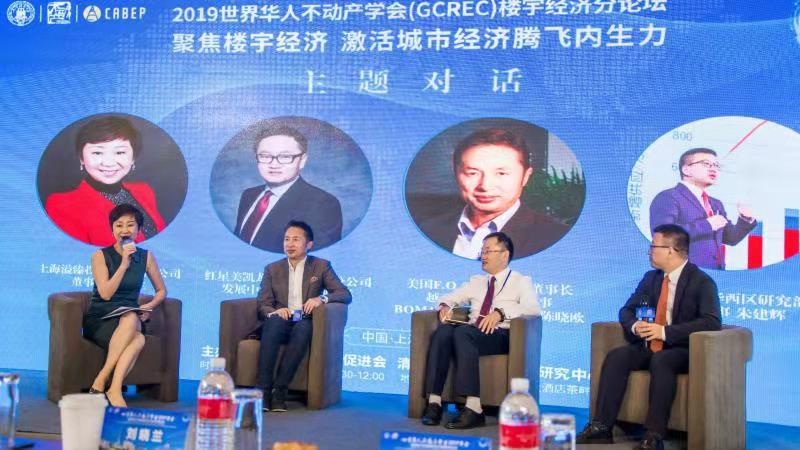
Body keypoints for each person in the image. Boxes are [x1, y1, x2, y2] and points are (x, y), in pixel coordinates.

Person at [576, 224, 721, 450]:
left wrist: (664, 332)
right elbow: (626, 311)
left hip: (683, 349)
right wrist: (636, 327)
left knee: (662, 360)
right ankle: (601, 426)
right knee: (617, 356)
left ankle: (653, 436)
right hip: (650, 344)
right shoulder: (651, 279)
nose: (649, 251)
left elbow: (711, 321)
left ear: (671, 250)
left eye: (654, 246)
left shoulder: (701, 281)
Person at [420, 232, 541, 429]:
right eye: (482, 251)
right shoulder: (477, 281)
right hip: (473, 333)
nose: (483, 256)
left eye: (488, 251)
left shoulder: (520, 281)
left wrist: (501, 313)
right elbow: (452, 296)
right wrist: (444, 305)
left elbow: (533, 309)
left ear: (504, 255)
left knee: (462, 332)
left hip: (500, 335)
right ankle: (434, 402)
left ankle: (474, 407)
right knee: (444, 331)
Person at [416, 128, 568, 260]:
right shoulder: (427, 230)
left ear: (525, 177)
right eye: (472, 173)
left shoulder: (556, 237)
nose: (485, 186)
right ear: (455, 174)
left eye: (501, 173)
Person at [255, 220, 351, 412]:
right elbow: (263, 303)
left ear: (309, 245)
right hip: (280, 317)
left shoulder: (321, 266)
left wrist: (321, 298)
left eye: (296, 240)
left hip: (302, 317)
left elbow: (344, 294)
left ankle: (280, 392)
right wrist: (273, 312)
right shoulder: (272, 269)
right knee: (274, 322)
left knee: (304, 327)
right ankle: (263, 392)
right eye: (287, 239)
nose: (290, 244)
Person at [82, 204, 167, 407]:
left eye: (130, 225)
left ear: (138, 229)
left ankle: (110, 386)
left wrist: (149, 306)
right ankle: (106, 381)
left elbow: (162, 291)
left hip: (129, 317)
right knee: (138, 337)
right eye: (119, 225)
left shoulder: (146, 257)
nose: (124, 230)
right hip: (101, 318)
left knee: (132, 322)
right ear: (112, 229)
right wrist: (123, 265)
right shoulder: (100, 256)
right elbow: (106, 293)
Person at [45, 116, 166, 246]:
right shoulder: (61, 205)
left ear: (133, 158)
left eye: (120, 152)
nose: (108, 163)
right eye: (97, 153)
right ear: (81, 158)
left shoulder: (143, 190)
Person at [234, 126, 343, 252]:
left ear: (302, 160)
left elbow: (316, 259)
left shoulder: (323, 204)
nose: (274, 164)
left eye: (285, 157)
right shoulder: (249, 195)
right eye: (265, 156)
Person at [649, 148, 757, 270]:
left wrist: (745, 218)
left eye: (716, 166)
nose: (713, 169)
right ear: (686, 170)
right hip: (683, 273)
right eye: (706, 164)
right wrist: (707, 225)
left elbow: (730, 238)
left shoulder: (716, 204)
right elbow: (663, 236)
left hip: (714, 273)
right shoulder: (669, 197)